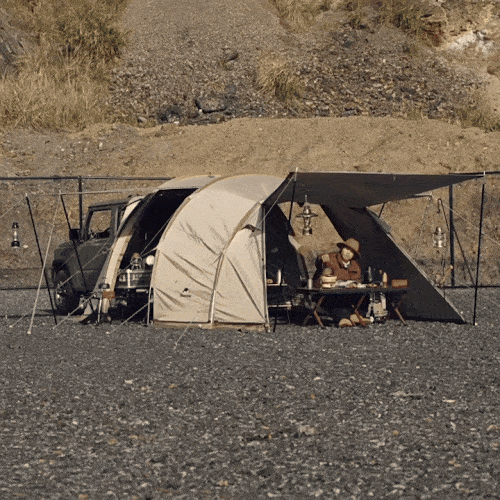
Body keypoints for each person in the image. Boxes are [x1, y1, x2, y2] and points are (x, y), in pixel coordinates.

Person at [313, 238, 365, 328]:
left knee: (362, 295)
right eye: (347, 249)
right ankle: (343, 318)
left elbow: (357, 279)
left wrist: (354, 284)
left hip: (346, 294)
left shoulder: (355, 265)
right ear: (342, 248)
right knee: (336, 298)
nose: (348, 253)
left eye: (352, 251)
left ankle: (355, 316)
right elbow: (320, 261)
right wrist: (321, 259)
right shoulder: (331, 258)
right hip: (327, 294)